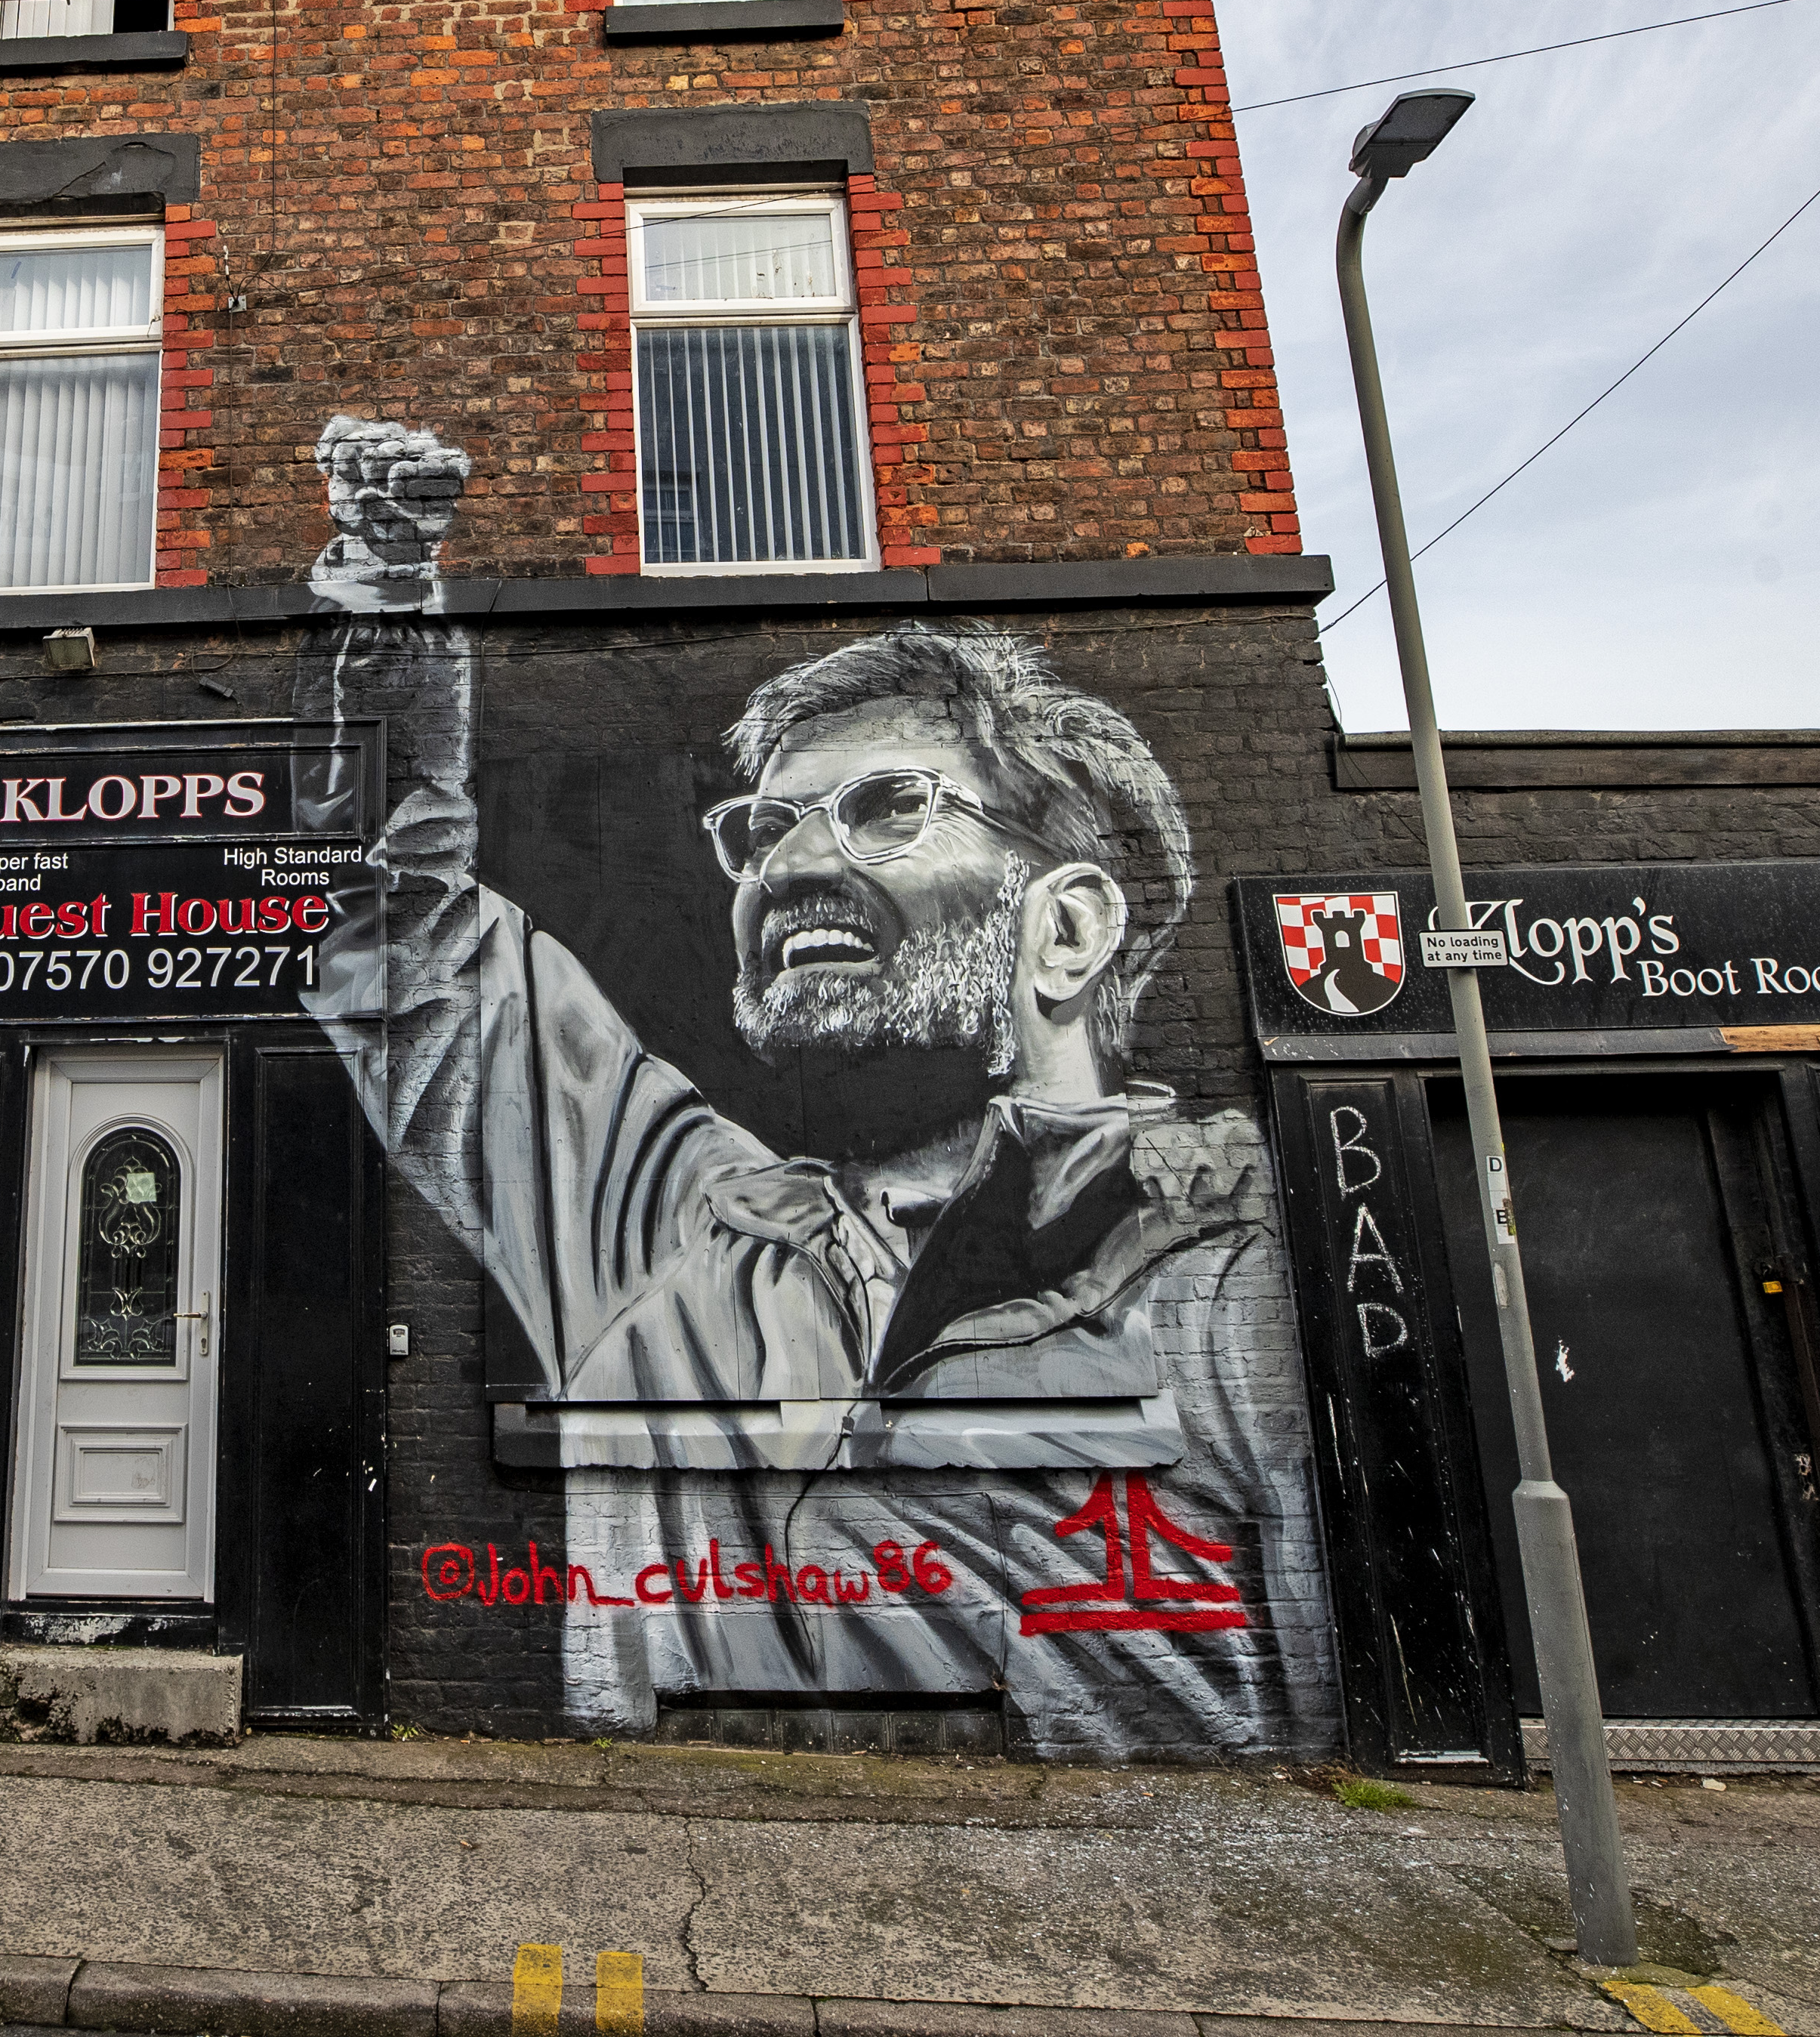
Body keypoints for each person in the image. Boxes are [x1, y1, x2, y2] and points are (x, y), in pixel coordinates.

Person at [294, 417, 1334, 1755]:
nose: (785, 867)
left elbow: (1336, 1687)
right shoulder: (687, 1235)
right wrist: (387, 622)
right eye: (767, 827)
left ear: (1067, 929)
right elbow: (406, 938)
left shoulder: (1233, 1273)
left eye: (888, 808)